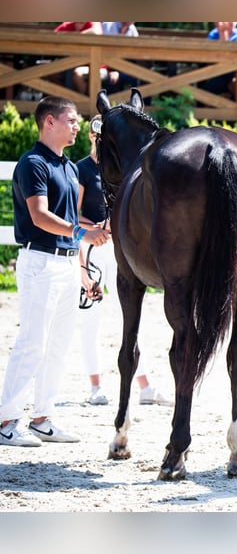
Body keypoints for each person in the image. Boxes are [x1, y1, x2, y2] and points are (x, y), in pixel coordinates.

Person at [0, 96, 111, 447]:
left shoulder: (69, 167)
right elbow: (40, 216)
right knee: (32, 342)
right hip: (40, 262)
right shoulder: (33, 163)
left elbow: (71, 219)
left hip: (64, 262)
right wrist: (82, 233)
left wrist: (82, 270)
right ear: (49, 122)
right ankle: (5, 419)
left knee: (58, 345)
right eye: (71, 120)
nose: (77, 126)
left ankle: (42, 417)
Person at [76, 116, 172, 407]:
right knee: (91, 320)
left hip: (119, 248)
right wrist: (96, 228)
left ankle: (145, 386)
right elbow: (73, 213)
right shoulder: (81, 169)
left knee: (129, 319)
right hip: (92, 245)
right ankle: (95, 385)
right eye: (95, 136)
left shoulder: (122, 171)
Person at [53, 22, 104, 94]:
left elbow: (96, 32)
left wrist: (74, 38)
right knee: (52, 73)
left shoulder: (94, 23)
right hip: (68, 63)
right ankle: (65, 98)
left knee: (77, 74)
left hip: (92, 65)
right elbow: (52, 37)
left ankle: (84, 102)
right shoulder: (67, 25)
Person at [200, 22, 237, 99]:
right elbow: (208, 54)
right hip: (215, 71)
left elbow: (229, 58)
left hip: (234, 73)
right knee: (204, 89)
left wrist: (223, 33)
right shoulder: (213, 33)